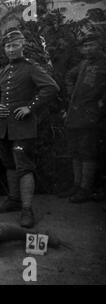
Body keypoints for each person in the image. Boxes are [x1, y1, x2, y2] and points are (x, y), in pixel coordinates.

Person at [0, 30, 59, 228]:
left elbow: (51, 87)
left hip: (23, 127)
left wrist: (30, 107)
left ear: (22, 45)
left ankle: (27, 209)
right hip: (3, 127)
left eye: (14, 45)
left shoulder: (31, 67)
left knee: (24, 165)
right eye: (8, 46)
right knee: (9, 164)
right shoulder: (2, 71)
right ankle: (13, 200)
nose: (11, 49)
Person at [61, 33, 106, 203]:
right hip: (76, 114)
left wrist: (101, 102)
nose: (88, 49)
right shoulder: (83, 63)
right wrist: (72, 94)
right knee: (76, 151)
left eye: (91, 45)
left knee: (88, 152)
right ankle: (77, 185)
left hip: (93, 115)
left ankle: (85, 189)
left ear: (99, 45)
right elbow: (68, 77)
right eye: (85, 46)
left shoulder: (103, 63)